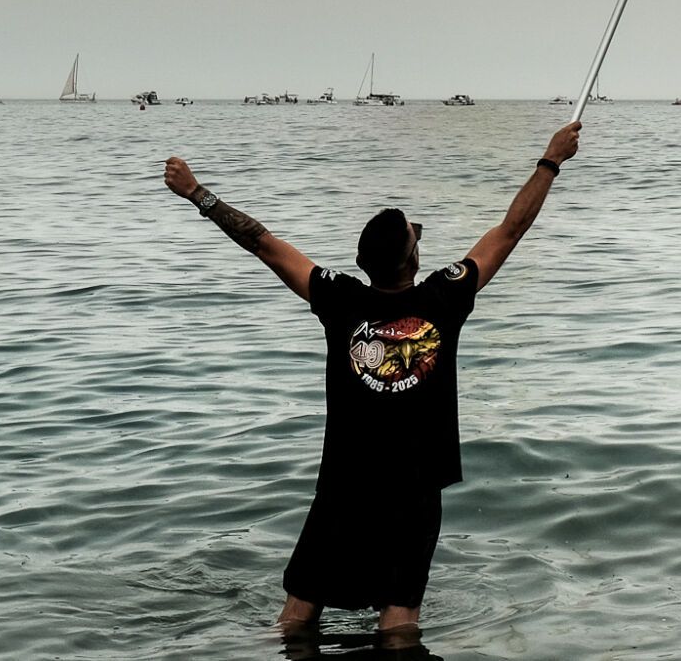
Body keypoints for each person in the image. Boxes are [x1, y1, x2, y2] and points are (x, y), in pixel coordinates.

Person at [162, 119, 583, 637]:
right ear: (414, 257)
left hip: (345, 482)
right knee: (400, 616)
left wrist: (196, 194)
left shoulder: (338, 299)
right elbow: (510, 229)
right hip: (415, 485)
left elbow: (261, 242)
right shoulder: (443, 299)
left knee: (299, 610)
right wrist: (550, 162)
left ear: (364, 264)